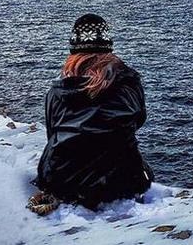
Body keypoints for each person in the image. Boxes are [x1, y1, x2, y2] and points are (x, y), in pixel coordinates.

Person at [28, 13, 153, 215]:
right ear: (108, 48)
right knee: (134, 161)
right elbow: (138, 121)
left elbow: (52, 134)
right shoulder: (130, 84)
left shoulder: (56, 92)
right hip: (118, 181)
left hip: (59, 180)